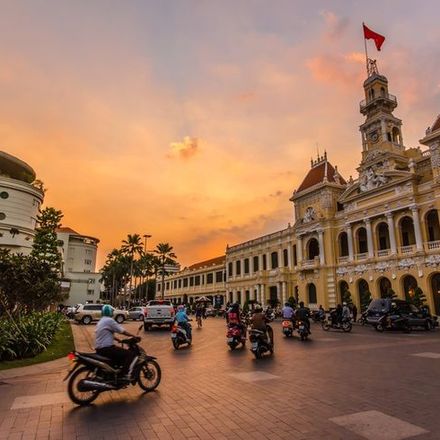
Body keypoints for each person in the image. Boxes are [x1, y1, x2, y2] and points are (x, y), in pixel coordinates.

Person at [95, 304, 140, 382]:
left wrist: (118, 340)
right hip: (107, 348)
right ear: (110, 312)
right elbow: (122, 331)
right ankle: (124, 375)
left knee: (119, 356)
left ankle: (115, 374)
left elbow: (106, 333)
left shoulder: (101, 321)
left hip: (100, 349)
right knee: (130, 354)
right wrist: (133, 336)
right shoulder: (109, 320)